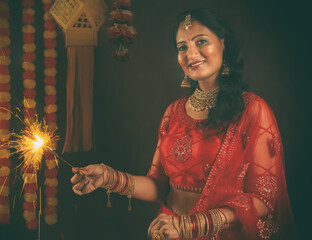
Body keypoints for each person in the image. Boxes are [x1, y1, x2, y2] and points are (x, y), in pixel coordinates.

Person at [71, 8, 296, 240]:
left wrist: (191, 225)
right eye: (182, 47)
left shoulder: (252, 109)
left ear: (223, 44)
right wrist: (108, 177)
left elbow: (264, 199)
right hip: (170, 230)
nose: (191, 53)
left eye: (201, 42)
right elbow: (158, 186)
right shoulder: (174, 112)